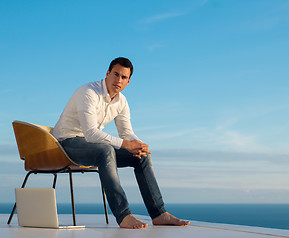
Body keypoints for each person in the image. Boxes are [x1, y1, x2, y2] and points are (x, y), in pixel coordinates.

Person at [53, 57, 190, 229]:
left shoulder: (122, 101)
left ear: (128, 81)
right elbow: (90, 134)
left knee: (141, 156)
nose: (119, 80)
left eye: (124, 77)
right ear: (108, 73)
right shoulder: (88, 92)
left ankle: (159, 213)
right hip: (68, 143)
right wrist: (125, 144)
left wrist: (137, 144)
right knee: (106, 151)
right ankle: (123, 215)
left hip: (93, 145)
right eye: (116, 74)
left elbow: (126, 132)